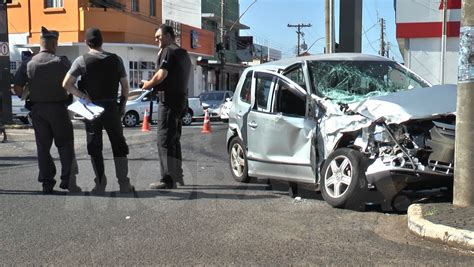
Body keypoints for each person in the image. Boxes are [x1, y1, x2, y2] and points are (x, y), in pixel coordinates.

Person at [62, 27, 135, 194]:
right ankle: (124, 183)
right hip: (111, 107)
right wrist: (122, 105)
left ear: (87, 43)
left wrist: (82, 95)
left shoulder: (81, 61)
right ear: (102, 41)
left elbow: (66, 84)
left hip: (91, 109)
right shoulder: (116, 60)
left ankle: (100, 184)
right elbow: (125, 86)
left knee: (95, 147)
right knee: (119, 145)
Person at [12, 27, 81, 194]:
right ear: (54, 44)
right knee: (65, 145)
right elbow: (72, 81)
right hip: (58, 108)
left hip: (37, 110)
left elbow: (17, 87)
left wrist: (28, 94)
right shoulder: (61, 61)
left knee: (43, 147)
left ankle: (47, 184)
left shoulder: (28, 63)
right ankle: (68, 181)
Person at [141, 24, 191, 189]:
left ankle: (167, 179)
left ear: (169, 35)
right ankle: (178, 175)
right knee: (174, 140)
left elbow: (162, 74)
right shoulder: (183, 53)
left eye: (159, 36)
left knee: (164, 140)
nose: (156, 39)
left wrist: (148, 84)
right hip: (180, 101)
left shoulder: (169, 51)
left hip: (168, 101)